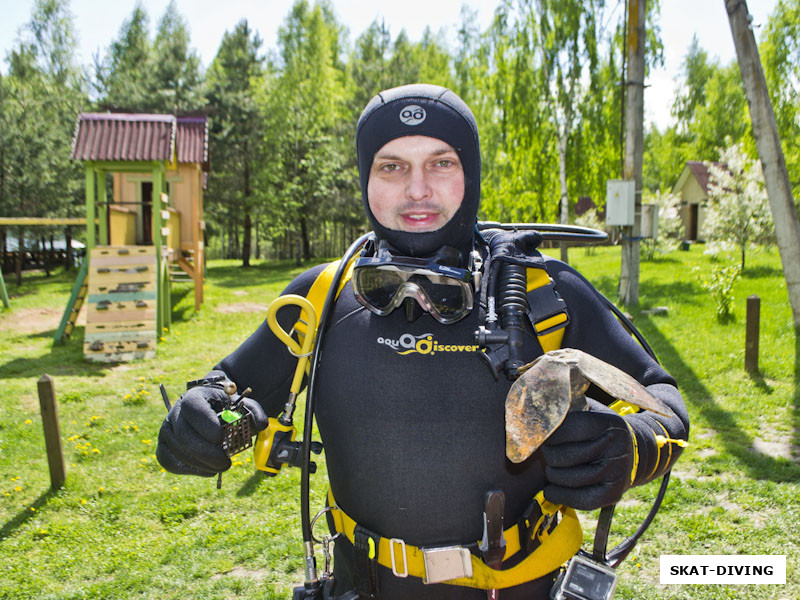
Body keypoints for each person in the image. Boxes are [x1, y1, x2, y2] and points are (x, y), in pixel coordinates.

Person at [157, 84, 689, 600]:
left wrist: (634, 446)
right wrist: (199, 424)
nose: (417, 190)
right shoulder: (319, 299)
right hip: (359, 585)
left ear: (471, 174)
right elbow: (226, 392)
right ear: (365, 178)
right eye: (392, 166)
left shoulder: (542, 294)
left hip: (521, 586)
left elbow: (663, 401)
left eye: (441, 163)